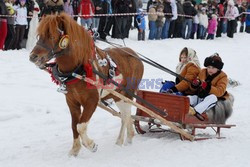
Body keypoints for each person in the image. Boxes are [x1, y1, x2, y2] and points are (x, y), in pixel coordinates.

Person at [188, 54, 229, 121]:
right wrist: (195, 84)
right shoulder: (203, 72)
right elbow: (195, 86)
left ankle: (195, 111)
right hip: (201, 97)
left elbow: (220, 92)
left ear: (218, 69)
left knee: (212, 97)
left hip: (213, 102)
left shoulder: (223, 77)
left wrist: (206, 86)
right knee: (190, 98)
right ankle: (183, 107)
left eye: (213, 68)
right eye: (209, 67)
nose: (210, 69)